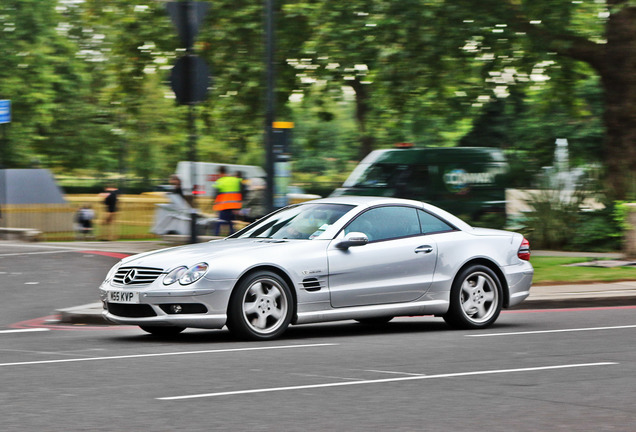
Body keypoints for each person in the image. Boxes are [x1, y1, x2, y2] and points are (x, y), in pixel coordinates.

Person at [212, 166, 242, 236]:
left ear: (220, 173)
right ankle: (233, 237)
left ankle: (215, 236)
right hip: (234, 206)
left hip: (223, 206)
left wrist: (215, 205)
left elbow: (215, 194)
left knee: (219, 222)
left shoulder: (220, 181)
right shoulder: (235, 180)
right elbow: (241, 191)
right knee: (231, 223)